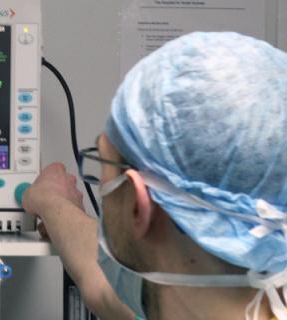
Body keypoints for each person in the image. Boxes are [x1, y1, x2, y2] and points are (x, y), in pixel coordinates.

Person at [22, 32, 287, 320]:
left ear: (139, 205)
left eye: (101, 163)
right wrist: (53, 202)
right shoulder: (175, 299)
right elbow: (97, 278)